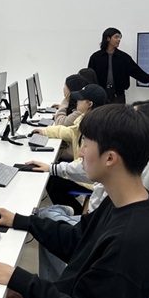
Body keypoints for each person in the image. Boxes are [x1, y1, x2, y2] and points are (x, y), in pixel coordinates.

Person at [0, 104, 149, 298]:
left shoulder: (133, 245)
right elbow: (76, 240)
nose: (81, 153)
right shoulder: (122, 202)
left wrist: (18, 278)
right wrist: (20, 221)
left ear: (110, 158)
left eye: (85, 144)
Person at [27, 99, 149, 281]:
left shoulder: (145, 171)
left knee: (46, 217)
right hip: (97, 222)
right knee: (45, 219)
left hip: (97, 224)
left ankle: (56, 278)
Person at [32, 84, 107, 212]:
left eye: (80, 99)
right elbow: (70, 131)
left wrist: (52, 168)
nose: (76, 101)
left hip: (91, 178)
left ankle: (74, 213)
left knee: (52, 181)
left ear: (89, 104)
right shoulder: (86, 118)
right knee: (54, 174)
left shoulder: (95, 127)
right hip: (84, 170)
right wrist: (45, 131)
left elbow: (84, 165)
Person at [87, 27, 149, 104]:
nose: (119, 40)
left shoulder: (124, 58)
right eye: (116, 37)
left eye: (120, 37)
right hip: (100, 95)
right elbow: (90, 77)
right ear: (108, 38)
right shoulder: (96, 57)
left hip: (118, 96)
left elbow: (138, 73)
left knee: (118, 114)